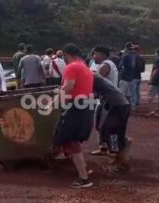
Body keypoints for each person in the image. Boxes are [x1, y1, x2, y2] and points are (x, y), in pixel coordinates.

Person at [46, 43, 94, 188]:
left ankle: (84, 178)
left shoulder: (72, 67)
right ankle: (83, 169)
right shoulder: (84, 66)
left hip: (77, 106)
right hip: (85, 104)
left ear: (66, 54)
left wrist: (51, 104)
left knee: (69, 140)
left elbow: (68, 87)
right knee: (71, 139)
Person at [93, 74, 131, 175]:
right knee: (109, 132)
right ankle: (119, 157)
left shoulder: (92, 78)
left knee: (113, 134)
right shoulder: (95, 78)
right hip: (117, 106)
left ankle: (122, 163)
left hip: (118, 106)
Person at [90, 46, 119, 156]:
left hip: (108, 100)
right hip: (107, 99)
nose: (94, 57)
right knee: (100, 124)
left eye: (95, 54)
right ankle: (104, 147)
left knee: (107, 125)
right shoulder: (110, 64)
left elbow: (96, 81)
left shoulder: (105, 65)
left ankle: (114, 149)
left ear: (102, 54)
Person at [132, 45, 146, 109]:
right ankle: (137, 102)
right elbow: (143, 69)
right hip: (139, 76)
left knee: (134, 91)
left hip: (133, 76)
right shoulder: (141, 58)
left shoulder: (133, 57)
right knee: (137, 90)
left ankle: (134, 104)